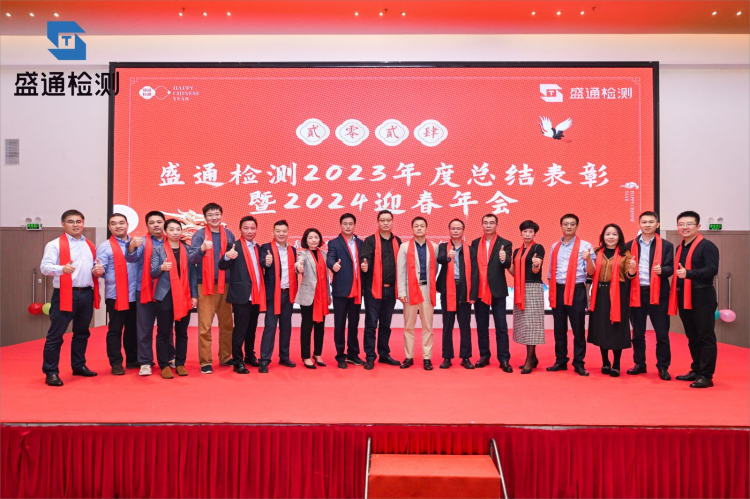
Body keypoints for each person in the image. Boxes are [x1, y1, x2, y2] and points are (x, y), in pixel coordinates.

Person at [40, 210, 102, 386]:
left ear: (83, 223)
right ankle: (51, 372)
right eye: (71, 221)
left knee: (82, 333)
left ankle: (78, 365)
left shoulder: (89, 245)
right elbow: (44, 268)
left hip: (86, 293)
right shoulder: (54, 245)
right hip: (65, 294)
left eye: (78, 221)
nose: (75, 225)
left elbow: (90, 268)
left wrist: (96, 271)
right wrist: (61, 269)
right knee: (56, 335)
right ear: (63, 224)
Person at [670, 211, 719, 388]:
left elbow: (712, 270)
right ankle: (697, 369)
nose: (685, 227)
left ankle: (706, 375)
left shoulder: (707, 246)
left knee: (705, 336)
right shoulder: (680, 247)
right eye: (681, 224)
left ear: (698, 226)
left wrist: (689, 273)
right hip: (684, 295)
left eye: (689, 224)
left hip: (702, 295)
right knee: (692, 336)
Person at [125, 211, 174, 376]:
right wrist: (131, 246)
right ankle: (145, 361)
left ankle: (169, 357)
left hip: (166, 292)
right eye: (152, 223)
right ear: (147, 226)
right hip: (145, 290)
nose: (156, 225)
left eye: (159, 222)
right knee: (144, 328)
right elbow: (131, 258)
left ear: (164, 223)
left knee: (166, 328)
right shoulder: (142, 242)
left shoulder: (171, 241)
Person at [626, 211, 674, 380]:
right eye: (644, 222)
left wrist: (663, 270)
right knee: (637, 333)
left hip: (659, 294)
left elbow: (671, 268)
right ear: (639, 224)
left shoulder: (666, 245)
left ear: (657, 225)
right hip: (636, 293)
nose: (647, 225)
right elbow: (625, 271)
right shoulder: (629, 245)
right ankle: (639, 363)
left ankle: (663, 366)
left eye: (651, 222)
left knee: (662, 333)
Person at [188, 202, 235, 374]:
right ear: (205, 218)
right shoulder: (199, 235)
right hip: (205, 285)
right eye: (210, 215)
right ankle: (206, 361)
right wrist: (201, 249)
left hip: (226, 284)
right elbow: (192, 259)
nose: (214, 218)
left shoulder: (229, 234)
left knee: (227, 325)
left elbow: (232, 258)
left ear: (221, 215)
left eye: (217, 214)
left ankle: (225, 357)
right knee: (205, 327)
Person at [546, 214, 596, 376]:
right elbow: (550, 272)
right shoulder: (555, 246)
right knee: (559, 329)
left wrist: (588, 260)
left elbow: (592, 272)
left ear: (577, 226)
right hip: (558, 290)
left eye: (572, 224)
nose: (569, 227)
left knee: (578, 329)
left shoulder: (586, 246)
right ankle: (561, 360)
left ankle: (579, 362)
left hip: (577, 291)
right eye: (566, 224)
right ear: (561, 226)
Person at [150, 219, 198, 379]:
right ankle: (164, 365)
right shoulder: (158, 250)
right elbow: (152, 272)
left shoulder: (188, 249)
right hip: (165, 296)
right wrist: (161, 268)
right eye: (171, 229)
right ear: (165, 232)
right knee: (163, 332)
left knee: (182, 332)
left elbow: (192, 275)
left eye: (178, 229)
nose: (176, 232)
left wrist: (194, 295)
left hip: (184, 295)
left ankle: (180, 363)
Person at [218, 216, 266, 374]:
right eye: (246, 228)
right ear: (240, 229)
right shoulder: (234, 246)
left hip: (256, 294)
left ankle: (249, 355)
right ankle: (237, 361)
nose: (249, 231)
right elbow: (222, 265)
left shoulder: (258, 248)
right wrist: (227, 256)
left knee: (252, 328)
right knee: (240, 330)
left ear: (256, 229)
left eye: (252, 228)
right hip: (241, 295)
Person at [587, 224, 636, 377]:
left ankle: (616, 364)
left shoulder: (625, 253)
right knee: (601, 327)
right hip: (599, 292)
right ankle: (605, 362)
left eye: (614, 234)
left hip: (618, 293)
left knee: (616, 328)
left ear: (619, 237)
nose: (611, 237)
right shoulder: (596, 252)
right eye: (608, 234)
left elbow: (629, 275)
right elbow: (590, 273)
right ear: (603, 236)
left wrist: (633, 268)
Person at [96, 213, 139, 375]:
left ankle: (133, 359)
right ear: (109, 227)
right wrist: (97, 271)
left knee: (133, 329)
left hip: (135, 295)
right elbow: (99, 270)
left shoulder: (137, 243)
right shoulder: (105, 247)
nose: (118, 226)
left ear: (127, 224)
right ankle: (116, 362)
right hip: (116, 295)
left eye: (121, 223)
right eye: (114, 223)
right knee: (115, 330)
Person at [359, 210, 402, 369]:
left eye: (388, 220)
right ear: (377, 222)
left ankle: (384, 354)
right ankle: (370, 356)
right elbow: (365, 259)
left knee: (386, 324)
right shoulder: (370, 241)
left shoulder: (397, 241)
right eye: (382, 220)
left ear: (392, 221)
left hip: (390, 290)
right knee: (371, 324)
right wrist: (365, 265)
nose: (385, 223)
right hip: (373, 289)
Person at [470, 214, 513, 371]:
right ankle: (484, 356)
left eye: (491, 223)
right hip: (480, 290)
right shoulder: (475, 243)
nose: (488, 225)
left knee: (501, 326)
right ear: (482, 225)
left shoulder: (505, 243)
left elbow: (507, 263)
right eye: (486, 223)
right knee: (482, 326)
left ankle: (504, 358)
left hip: (497, 290)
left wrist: (503, 259)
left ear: (497, 225)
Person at [397, 216, 439, 371]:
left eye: (422, 226)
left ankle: (427, 357)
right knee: (409, 325)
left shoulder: (434, 247)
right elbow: (401, 270)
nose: (419, 228)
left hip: (427, 289)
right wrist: (402, 291)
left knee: (428, 325)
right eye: (416, 226)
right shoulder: (404, 247)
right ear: (412, 229)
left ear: (426, 228)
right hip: (410, 290)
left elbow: (435, 269)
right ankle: (409, 356)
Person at [436, 219, 478, 369]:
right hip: (448, 290)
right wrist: (448, 256)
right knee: (447, 325)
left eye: (458, 228)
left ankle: (465, 357)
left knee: (465, 325)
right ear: (449, 230)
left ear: (463, 231)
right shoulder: (443, 247)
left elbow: (475, 272)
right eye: (453, 228)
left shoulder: (470, 250)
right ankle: (447, 357)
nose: (455, 231)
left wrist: (473, 294)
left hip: (464, 289)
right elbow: (440, 259)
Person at [258, 220, 298, 373]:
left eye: (284, 231)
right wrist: (267, 262)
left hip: (288, 294)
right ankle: (264, 360)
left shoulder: (293, 250)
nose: (281, 234)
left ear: (288, 232)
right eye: (278, 231)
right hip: (273, 294)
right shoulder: (266, 247)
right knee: (270, 327)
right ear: (273, 232)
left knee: (286, 327)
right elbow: (262, 262)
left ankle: (284, 356)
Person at [327, 213, 364, 369]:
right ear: (340, 225)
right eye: (345, 224)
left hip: (357, 289)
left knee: (354, 324)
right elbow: (330, 258)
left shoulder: (360, 243)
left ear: (354, 225)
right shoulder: (334, 243)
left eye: (350, 224)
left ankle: (353, 355)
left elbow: (365, 260)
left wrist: (365, 265)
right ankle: (340, 356)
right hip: (341, 290)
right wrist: (333, 265)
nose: (348, 226)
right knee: (340, 324)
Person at [508, 220, 545, 374]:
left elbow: (536, 270)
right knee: (524, 324)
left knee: (532, 325)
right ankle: (533, 357)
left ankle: (529, 360)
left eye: (530, 231)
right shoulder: (517, 251)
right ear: (521, 233)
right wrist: (505, 263)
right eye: (525, 231)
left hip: (533, 288)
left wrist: (536, 264)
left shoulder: (538, 248)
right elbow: (514, 272)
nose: (527, 234)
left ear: (534, 233)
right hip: (520, 288)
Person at [295, 228, 332, 369]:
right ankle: (306, 356)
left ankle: (317, 354)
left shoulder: (324, 254)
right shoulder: (303, 254)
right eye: (310, 238)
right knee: (307, 327)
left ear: (320, 239)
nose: (314, 240)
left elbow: (327, 276)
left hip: (322, 295)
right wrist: (298, 267)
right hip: (309, 296)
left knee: (320, 327)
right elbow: (299, 263)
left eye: (316, 237)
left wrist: (328, 295)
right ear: (306, 240)